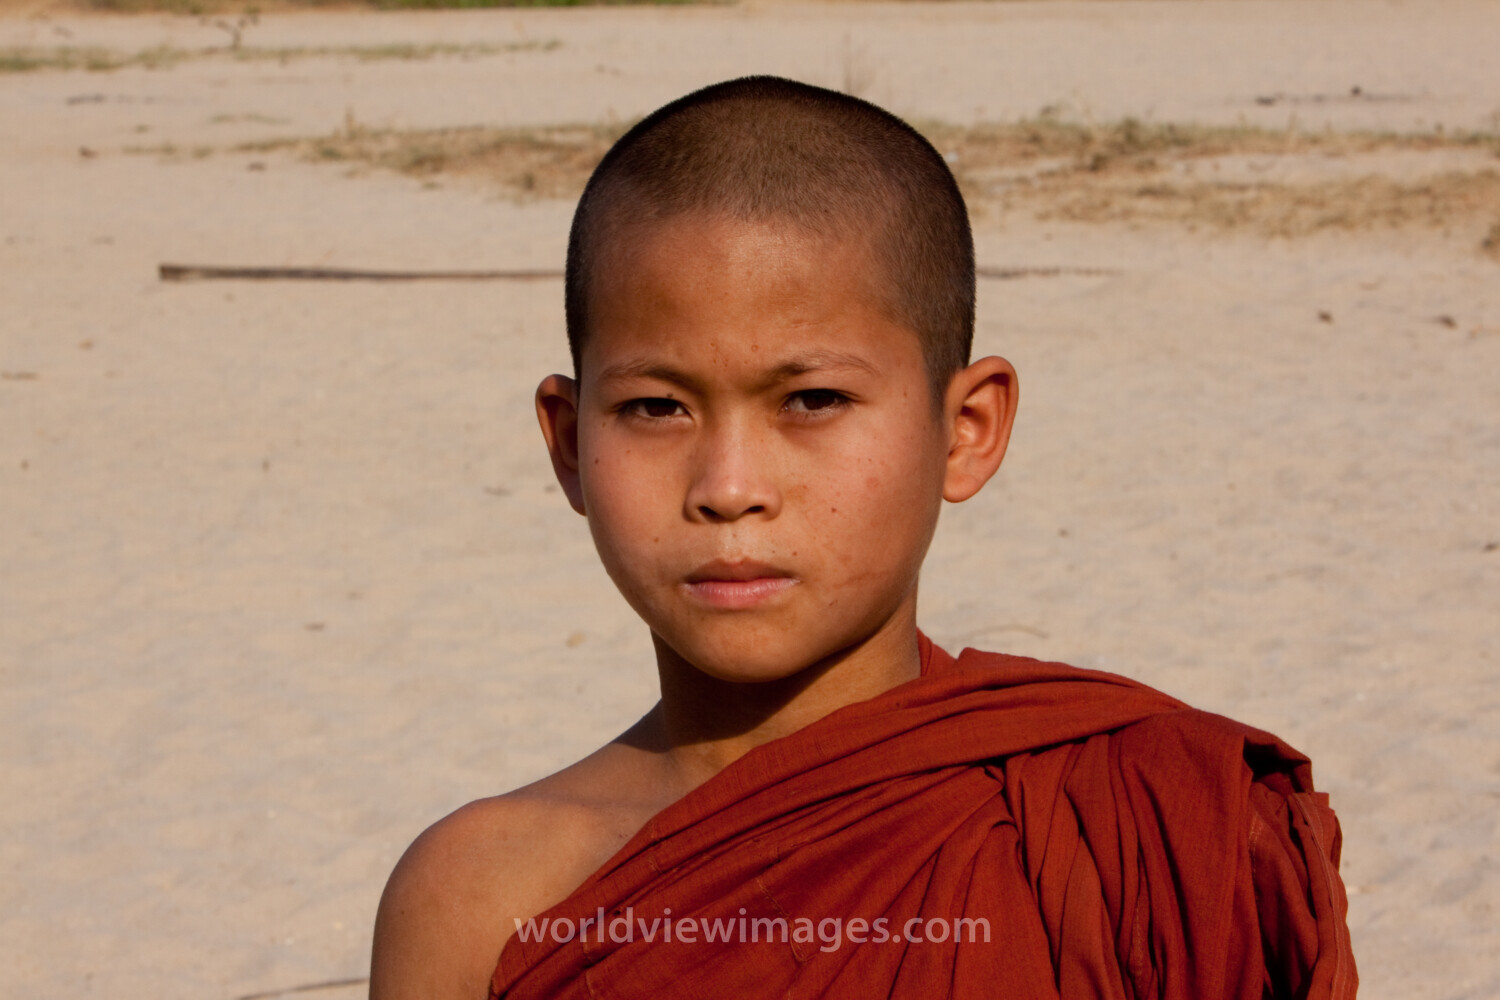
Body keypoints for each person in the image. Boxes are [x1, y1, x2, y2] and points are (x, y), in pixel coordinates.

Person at [369, 76, 1356, 1000]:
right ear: (569, 444)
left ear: (965, 430)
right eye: (657, 407)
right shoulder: (479, 898)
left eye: (812, 399)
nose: (730, 489)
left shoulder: (1154, 827)